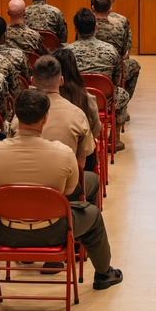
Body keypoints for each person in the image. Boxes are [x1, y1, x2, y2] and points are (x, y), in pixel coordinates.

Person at [0, 89, 122, 290]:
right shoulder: (63, 154)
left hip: (5, 231)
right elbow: (70, 193)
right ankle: (104, 275)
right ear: (45, 118)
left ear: (16, 117)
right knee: (93, 215)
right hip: (56, 231)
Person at [28, 55, 99, 203]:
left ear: (32, 82)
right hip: (64, 189)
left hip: (26, 187)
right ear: (61, 81)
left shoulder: (20, 116)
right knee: (91, 179)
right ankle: (80, 216)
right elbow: (81, 166)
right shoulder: (77, 114)